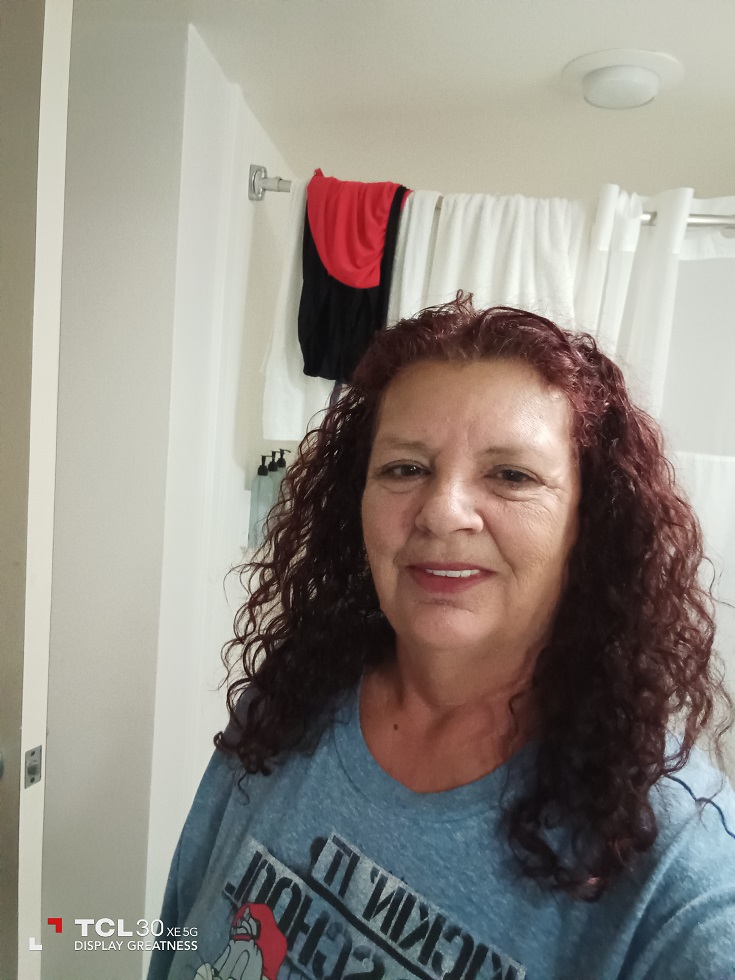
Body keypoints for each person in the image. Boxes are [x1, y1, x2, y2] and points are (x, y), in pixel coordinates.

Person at [148, 296, 735, 980]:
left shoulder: (676, 859)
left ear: (590, 523)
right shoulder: (288, 702)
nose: (442, 511)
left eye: (511, 475)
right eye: (405, 468)